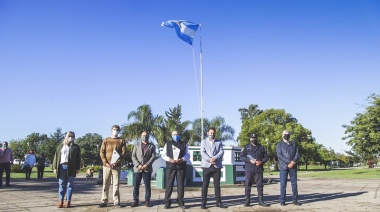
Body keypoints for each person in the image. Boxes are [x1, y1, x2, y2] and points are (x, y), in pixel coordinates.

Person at [98, 125, 126, 208]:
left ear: (119, 131)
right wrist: (106, 163)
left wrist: (116, 163)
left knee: (116, 184)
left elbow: (123, 153)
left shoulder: (121, 140)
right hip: (106, 166)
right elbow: (101, 152)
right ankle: (104, 201)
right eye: (114, 129)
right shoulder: (106, 140)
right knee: (105, 184)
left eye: (117, 130)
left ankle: (116, 201)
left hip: (116, 166)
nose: (115, 131)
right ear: (111, 130)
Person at [161, 130, 190, 209]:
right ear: (171, 135)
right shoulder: (168, 143)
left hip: (181, 167)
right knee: (169, 186)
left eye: (177, 134)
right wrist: (169, 159)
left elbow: (188, 154)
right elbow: (163, 155)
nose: (176, 136)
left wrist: (182, 159)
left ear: (179, 135)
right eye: (174, 134)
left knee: (180, 186)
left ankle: (181, 202)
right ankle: (167, 203)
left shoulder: (184, 144)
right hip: (170, 167)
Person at [52, 131, 81, 208]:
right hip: (62, 166)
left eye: (72, 136)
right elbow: (56, 156)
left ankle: (68, 201)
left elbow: (78, 158)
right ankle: (60, 200)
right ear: (66, 137)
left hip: (71, 167)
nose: (71, 138)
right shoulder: (61, 146)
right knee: (61, 184)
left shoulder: (76, 147)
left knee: (70, 185)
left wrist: (78, 168)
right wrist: (55, 167)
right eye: (69, 136)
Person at [200, 127, 227, 209]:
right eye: (210, 133)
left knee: (217, 185)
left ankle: (218, 202)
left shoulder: (219, 142)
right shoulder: (203, 142)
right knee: (205, 185)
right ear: (208, 133)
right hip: (206, 166)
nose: (212, 134)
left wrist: (214, 158)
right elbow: (202, 152)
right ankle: (203, 203)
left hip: (216, 165)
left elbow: (221, 151)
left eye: (213, 133)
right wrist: (209, 159)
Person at [240, 133, 269, 207]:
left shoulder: (261, 147)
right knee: (248, 185)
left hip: (258, 169)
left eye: (255, 138)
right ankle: (247, 200)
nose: (253, 139)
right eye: (252, 138)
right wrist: (249, 160)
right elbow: (241, 157)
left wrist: (261, 162)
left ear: (257, 138)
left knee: (260, 185)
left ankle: (261, 200)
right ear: (250, 139)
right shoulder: (246, 147)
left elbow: (266, 157)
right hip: (249, 169)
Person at [131, 131, 156, 207]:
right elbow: (133, 156)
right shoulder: (136, 145)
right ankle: (136, 200)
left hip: (147, 168)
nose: (144, 137)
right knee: (136, 185)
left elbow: (153, 156)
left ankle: (147, 200)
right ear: (141, 136)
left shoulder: (151, 146)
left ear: (148, 137)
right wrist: (138, 164)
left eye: (146, 135)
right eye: (143, 135)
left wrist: (147, 164)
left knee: (147, 185)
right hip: (137, 168)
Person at [276, 130, 301, 206]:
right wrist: (289, 162)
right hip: (284, 166)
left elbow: (297, 154)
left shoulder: (293, 144)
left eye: (288, 134)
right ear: (282, 135)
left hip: (293, 166)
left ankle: (295, 200)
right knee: (283, 184)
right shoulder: (279, 145)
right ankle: (282, 200)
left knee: (294, 184)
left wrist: (293, 162)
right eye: (285, 134)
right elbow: (279, 155)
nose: (287, 135)